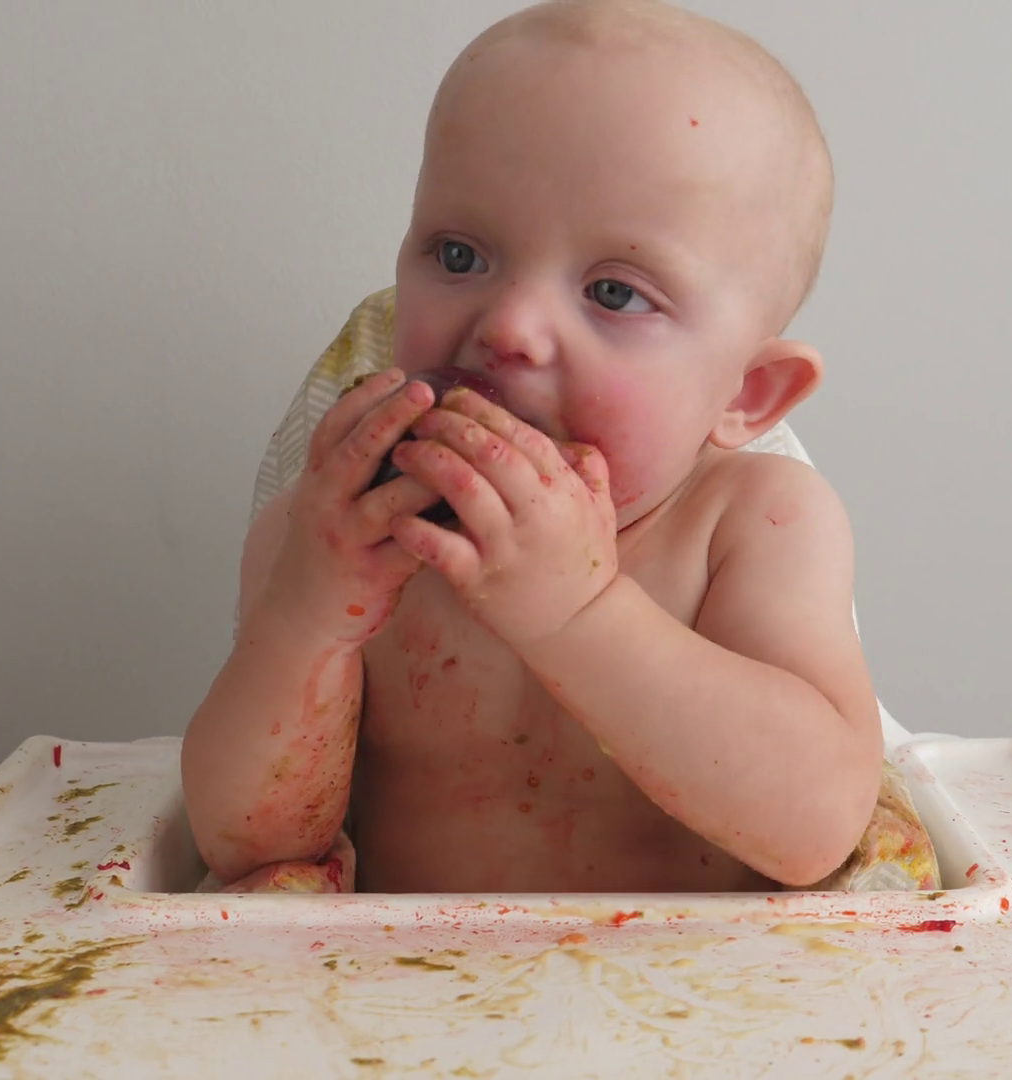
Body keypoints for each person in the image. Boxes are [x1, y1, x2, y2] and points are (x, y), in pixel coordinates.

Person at [182, 0, 936, 894]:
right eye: (460, 257)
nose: (506, 327)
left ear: (743, 393)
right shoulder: (330, 541)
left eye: (614, 293)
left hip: (708, 1014)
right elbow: (246, 847)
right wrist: (308, 619)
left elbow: (814, 829)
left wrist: (577, 614)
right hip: (392, 1010)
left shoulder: (754, 526)